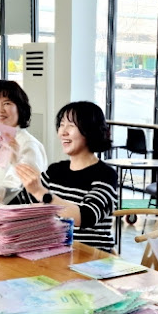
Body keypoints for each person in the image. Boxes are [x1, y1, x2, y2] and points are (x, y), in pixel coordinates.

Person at [14, 101, 118, 251]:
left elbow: (86, 216)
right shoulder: (55, 170)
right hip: (55, 253)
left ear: (90, 130)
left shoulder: (106, 175)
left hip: (91, 258)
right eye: (61, 125)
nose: (63, 132)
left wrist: (41, 193)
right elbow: (17, 202)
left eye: (71, 125)